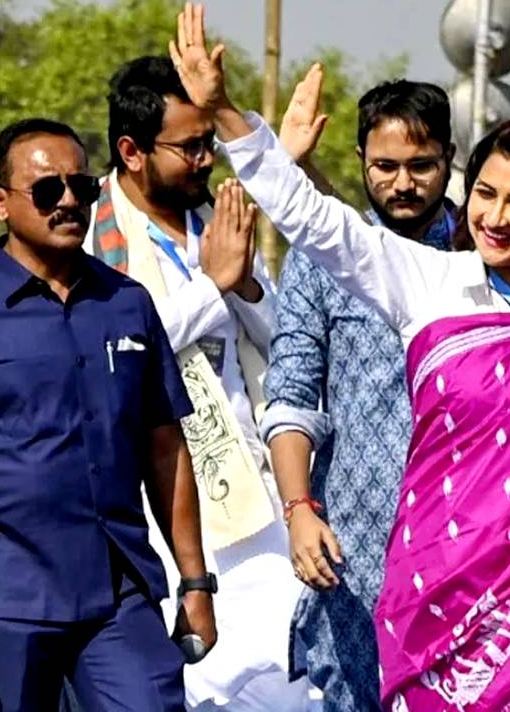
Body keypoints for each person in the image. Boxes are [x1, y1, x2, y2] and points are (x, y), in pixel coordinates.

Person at [169, 5, 510, 709]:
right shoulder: (432, 284)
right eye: (486, 195)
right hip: (440, 591)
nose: (492, 217)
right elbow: (316, 222)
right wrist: (225, 113)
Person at [0, 117, 216, 711]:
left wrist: (195, 580)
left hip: (119, 591)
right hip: (4, 599)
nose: (69, 201)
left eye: (82, 186)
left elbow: (166, 449)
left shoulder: (127, 304)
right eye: (48, 191)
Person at [86, 54, 310, 711]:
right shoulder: (91, 238)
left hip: (252, 493)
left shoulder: (213, 216)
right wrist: (214, 286)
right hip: (156, 502)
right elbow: (121, 347)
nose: (207, 159)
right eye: (190, 146)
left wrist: (241, 283)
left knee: (284, 687)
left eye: (209, 142)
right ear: (131, 151)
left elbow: (281, 336)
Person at [262, 79, 456, 711]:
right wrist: (298, 510)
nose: (403, 184)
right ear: (361, 164)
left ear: (449, 159)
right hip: (355, 549)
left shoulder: (481, 258)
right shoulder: (324, 259)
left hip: (472, 540)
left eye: (421, 166)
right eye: (386, 167)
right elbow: (290, 396)